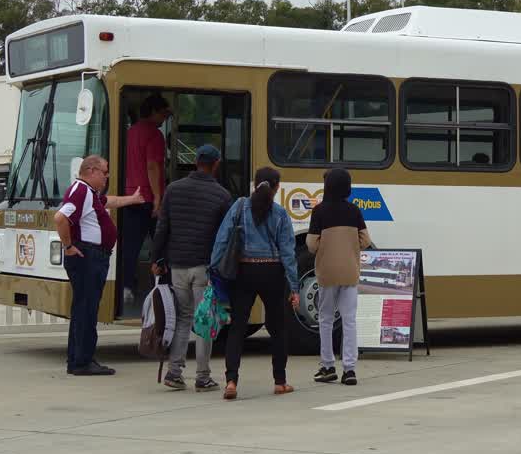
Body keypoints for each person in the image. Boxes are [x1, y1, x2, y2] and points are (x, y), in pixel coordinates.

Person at [210, 166, 299, 400]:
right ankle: (280, 382)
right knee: (278, 328)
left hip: (244, 271)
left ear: (255, 184)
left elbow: (222, 240)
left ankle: (231, 382)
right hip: (272, 272)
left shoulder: (239, 207)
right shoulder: (280, 213)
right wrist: (294, 286)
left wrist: (215, 270)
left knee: (237, 327)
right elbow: (288, 253)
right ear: (276, 188)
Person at [151, 144, 233, 392]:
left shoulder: (173, 190)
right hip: (204, 268)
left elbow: (162, 228)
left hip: (177, 266)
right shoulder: (222, 196)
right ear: (216, 164)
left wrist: (156, 259)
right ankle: (203, 376)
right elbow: (225, 237)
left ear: (195, 161)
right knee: (204, 320)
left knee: (183, 318)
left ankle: (174, 372)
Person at [53, 155, 144, 376]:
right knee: (87, 309)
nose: (107, 177)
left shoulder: (88, 193)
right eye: (104, 172)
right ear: (91, 171)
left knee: (83, 309)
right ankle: (83, 361)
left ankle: (76, 360)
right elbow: (59, 218)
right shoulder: (81, 191)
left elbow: (108, 201)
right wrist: (68, 246)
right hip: (88, 256)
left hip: (91, 255)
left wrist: (132, 199)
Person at [307, 168, 372, 386]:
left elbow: (311, 244)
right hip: (350, 272)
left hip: (327, 273)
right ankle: (350, 370)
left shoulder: (319, 211)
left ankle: (327, 366)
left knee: (325, 319)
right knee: (349, 319)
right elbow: (365, 240)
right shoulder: (354, 211)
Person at [121, 93, 171, 306]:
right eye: (163, 114)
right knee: (162, 244)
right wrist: (158, 198)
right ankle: (162, 286)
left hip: (130, 196)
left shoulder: (129, 133)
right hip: (148, 198)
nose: (164, 119)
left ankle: (126, 286)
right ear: (153, 111)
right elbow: (153, 166)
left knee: (130, 246)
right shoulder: (154, 135)